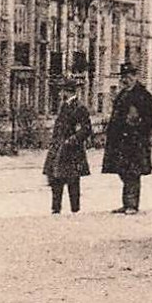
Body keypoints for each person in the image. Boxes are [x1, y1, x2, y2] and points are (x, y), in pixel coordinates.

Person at [103, 61, 152, 213]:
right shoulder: (122, 94)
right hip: (120, 141)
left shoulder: (143, 95)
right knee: (123, 171)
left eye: (129, 76)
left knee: (133, 172)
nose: (126, 79)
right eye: (123, 77)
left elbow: (150, 118)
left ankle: (132, 205)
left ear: (135, 76)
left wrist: (139, 131)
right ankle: (126, 203)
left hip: (135, 141)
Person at [43, 77, 92, 214]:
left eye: (61, 91)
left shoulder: (80, 108)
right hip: (58, 147)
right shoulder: (64, 106)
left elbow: (86, 129)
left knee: (72, 181)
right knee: (55, 179)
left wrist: (72, 140)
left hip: (71, 150)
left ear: (67, 91)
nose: (59, 94)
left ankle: (74, 210)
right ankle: (55, 209)